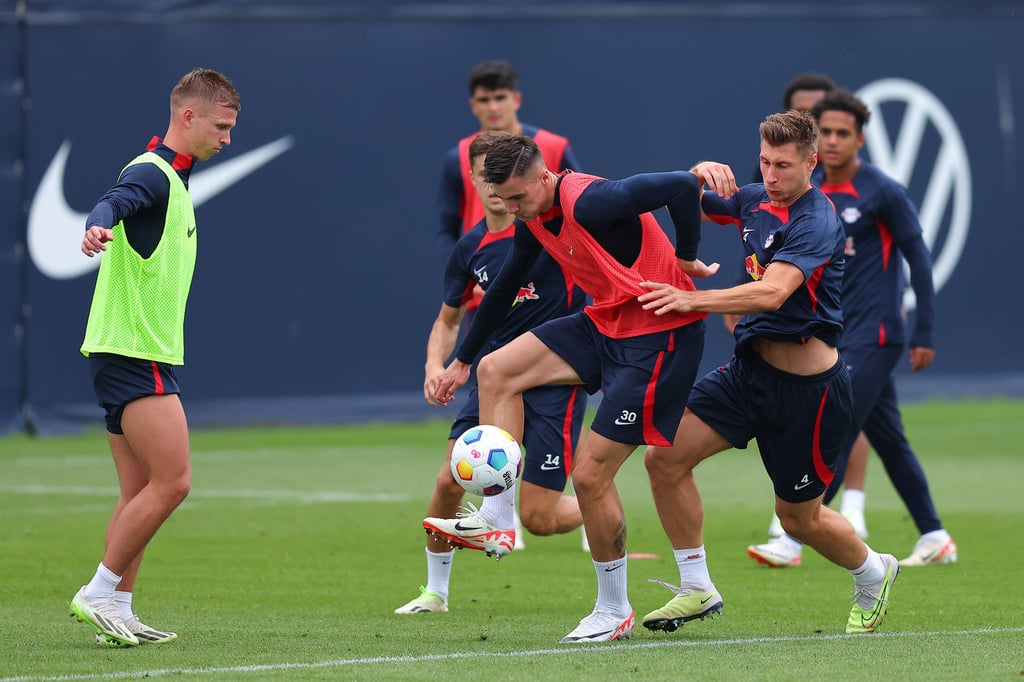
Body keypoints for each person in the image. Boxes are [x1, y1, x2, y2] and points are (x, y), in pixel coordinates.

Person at [433, 134, 717, 643]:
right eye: (504, 201)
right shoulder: (533, 217)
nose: (514, 210)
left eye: (519, 198)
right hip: (605, 322)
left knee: (588, 477)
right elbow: (500, 290)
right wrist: (461, 361)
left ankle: (614, 610)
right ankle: (498, 515)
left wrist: (689, 259)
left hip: (659, 335)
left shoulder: (589, 199)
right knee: (495, 370)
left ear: (544, 176)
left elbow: (679, 185)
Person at [637, 110, 899, 635]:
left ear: (811, 162)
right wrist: (698, 172)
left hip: (808, 394)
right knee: (663, 459)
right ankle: (696, 586)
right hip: (747, 374)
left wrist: (692, 300)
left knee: (797, 519)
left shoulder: (818, 220)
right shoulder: (756, 198)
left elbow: (771, 291)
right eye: (764, 161)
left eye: (783, 165)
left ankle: (873, 571)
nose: (771, 175)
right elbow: (692, 201)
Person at [746, 89, 957, 569]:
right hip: (838, 333)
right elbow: (768, 244)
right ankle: (935, 534)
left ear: (861, 139)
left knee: (835, 431)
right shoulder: (806, 193)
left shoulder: (881, 190)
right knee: (888, 436)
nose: (838, 141)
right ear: (817, 143)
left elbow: (918, 259)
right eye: (831, 132)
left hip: (877, 333)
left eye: (846, 133)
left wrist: (923, 330)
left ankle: (795, 534)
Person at [70, 68, 240, 647]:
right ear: (187, 117)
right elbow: (114, 201)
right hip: (132, 352)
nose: (226, 138)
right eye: (220, 126)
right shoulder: (154, 172)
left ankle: (116, 606)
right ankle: (98, 591)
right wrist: (97, 226)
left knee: (139, 488)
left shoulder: (174, 177)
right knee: (174, 482)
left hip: (134, 351)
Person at [396, 132, 589, 614]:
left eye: (503, 179)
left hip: (553, 380)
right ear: (475, 180)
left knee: (540, 518)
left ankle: (595, 506)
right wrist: (434, 364)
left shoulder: (551, 229)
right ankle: (435, 592)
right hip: (494, 381)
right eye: (486, 177)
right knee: (447, 482)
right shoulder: (470, 247)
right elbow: (448, 318)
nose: (496, 189)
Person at [437, 59, 579, 264]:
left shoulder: (554, 147)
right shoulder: (458, 157)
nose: (493, 107)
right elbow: (447, 229)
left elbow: (575, 211)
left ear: (517, 99)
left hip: (546, 277)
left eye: (500, 97)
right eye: (484, 100)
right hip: (484, 276)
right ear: (473, 106)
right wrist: (463, 275)